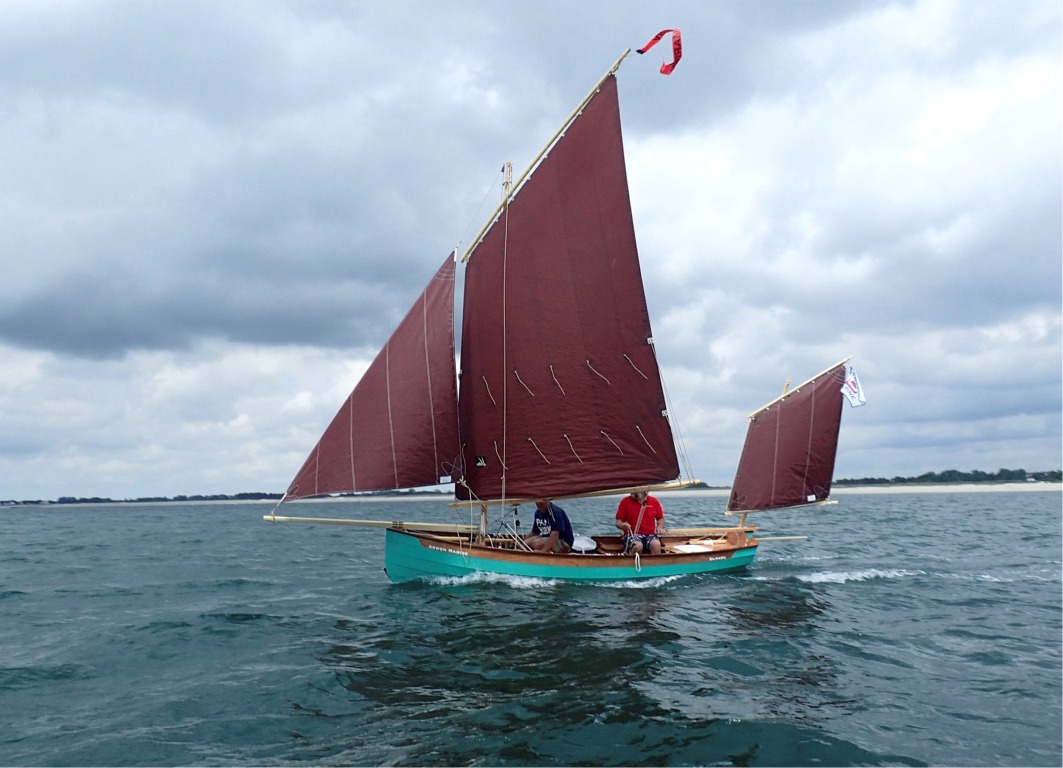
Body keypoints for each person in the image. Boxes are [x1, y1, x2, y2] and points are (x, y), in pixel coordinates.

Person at [615, 489, 665, 555]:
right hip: (631, 535)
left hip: (649, 535)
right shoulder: (625, 501)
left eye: (637, 488)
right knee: (637, 546)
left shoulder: (653, 501)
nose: (634, 490)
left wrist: (660, 527)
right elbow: (618, 522)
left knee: (656, 544)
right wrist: (622, 525)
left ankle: (656, 564)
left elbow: (660, 518)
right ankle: (632, 563)